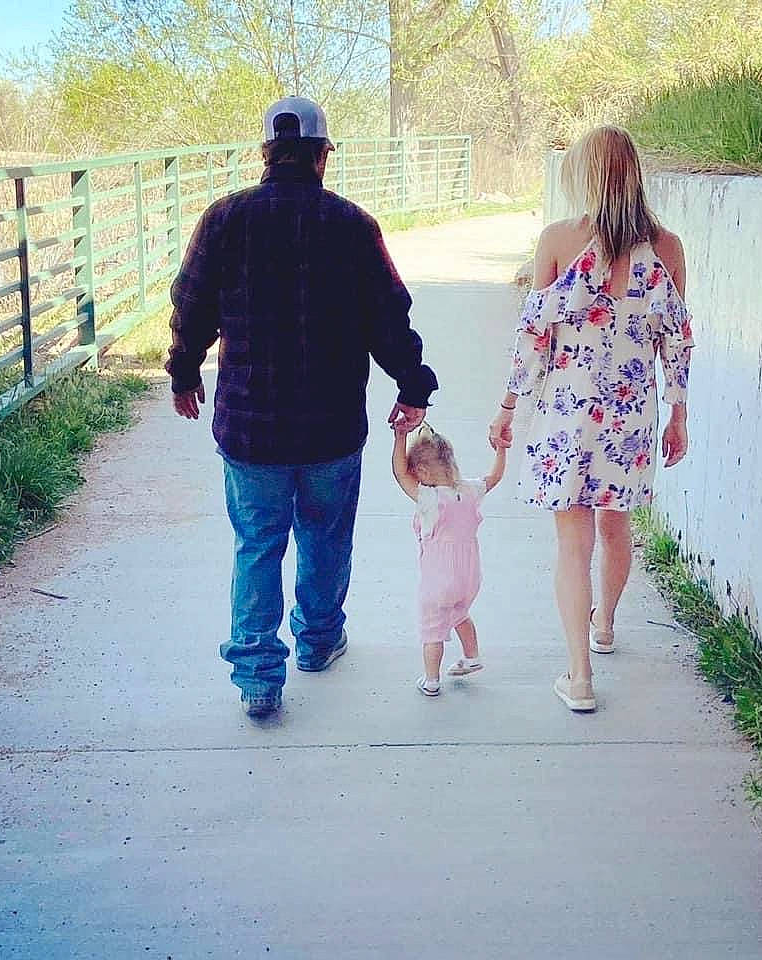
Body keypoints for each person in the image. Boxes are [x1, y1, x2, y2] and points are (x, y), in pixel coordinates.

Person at [166, 96, 438, 719]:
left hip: (249, 426)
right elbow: (388, 317)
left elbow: (192, 305)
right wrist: (412, 384)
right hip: (332, 427)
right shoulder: (353, 225)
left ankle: (260, 676)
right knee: (325, 534)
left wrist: (184, 372)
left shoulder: (223, 218)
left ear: (265, 155)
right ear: (322, 157)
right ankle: (317, 642)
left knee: (257, 543)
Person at [489, 125, 694, 713]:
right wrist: (678, 414)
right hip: (630, 415)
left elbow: (534, 337)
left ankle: (579, 677)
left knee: (571, 541)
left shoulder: (557, 239)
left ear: (584, 175)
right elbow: (676, 340)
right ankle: (604, 625)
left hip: (567, 414)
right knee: (615, 527)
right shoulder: (668, 248)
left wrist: (508, 407)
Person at [391, 422, 506, 696]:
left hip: (439, 580)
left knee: (432, 630)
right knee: (460, 613)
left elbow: (399, 473)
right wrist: (501, 450)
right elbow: (495, 476)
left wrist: (400, 437)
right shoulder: (469, 490)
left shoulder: (429, 498)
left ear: (421, 471)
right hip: (470, 577)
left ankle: (431, 680)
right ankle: (472, 656)